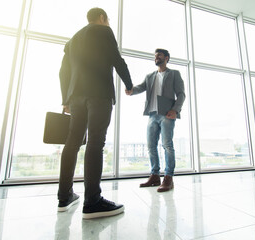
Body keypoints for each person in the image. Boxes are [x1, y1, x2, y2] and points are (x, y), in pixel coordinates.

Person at [58, 8, 133, 219]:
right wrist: (128, 84)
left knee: (72, 143)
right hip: (98, 94)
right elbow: (117, 59)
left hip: (76, 97)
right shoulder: (104, 31)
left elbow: (63, 72)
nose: (108, 22)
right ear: (102, 18)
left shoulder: (73, 40)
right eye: (108, 19)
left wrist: (66, 99)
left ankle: (64, 196)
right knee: (95, 142)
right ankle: (92, 201)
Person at [125, 49, 185, 192]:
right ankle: (155, 176)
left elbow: (181, 94)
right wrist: (132, 90)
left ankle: (168, 178)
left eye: (159, 55)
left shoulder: (174, 74)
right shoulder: (150, 76)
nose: (156, 57)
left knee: (167, 146)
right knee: (151, 146)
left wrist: (175, 110)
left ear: (166, 58)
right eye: (155, 56)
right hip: (152, 114)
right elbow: (140, 87)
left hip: (167, 115)